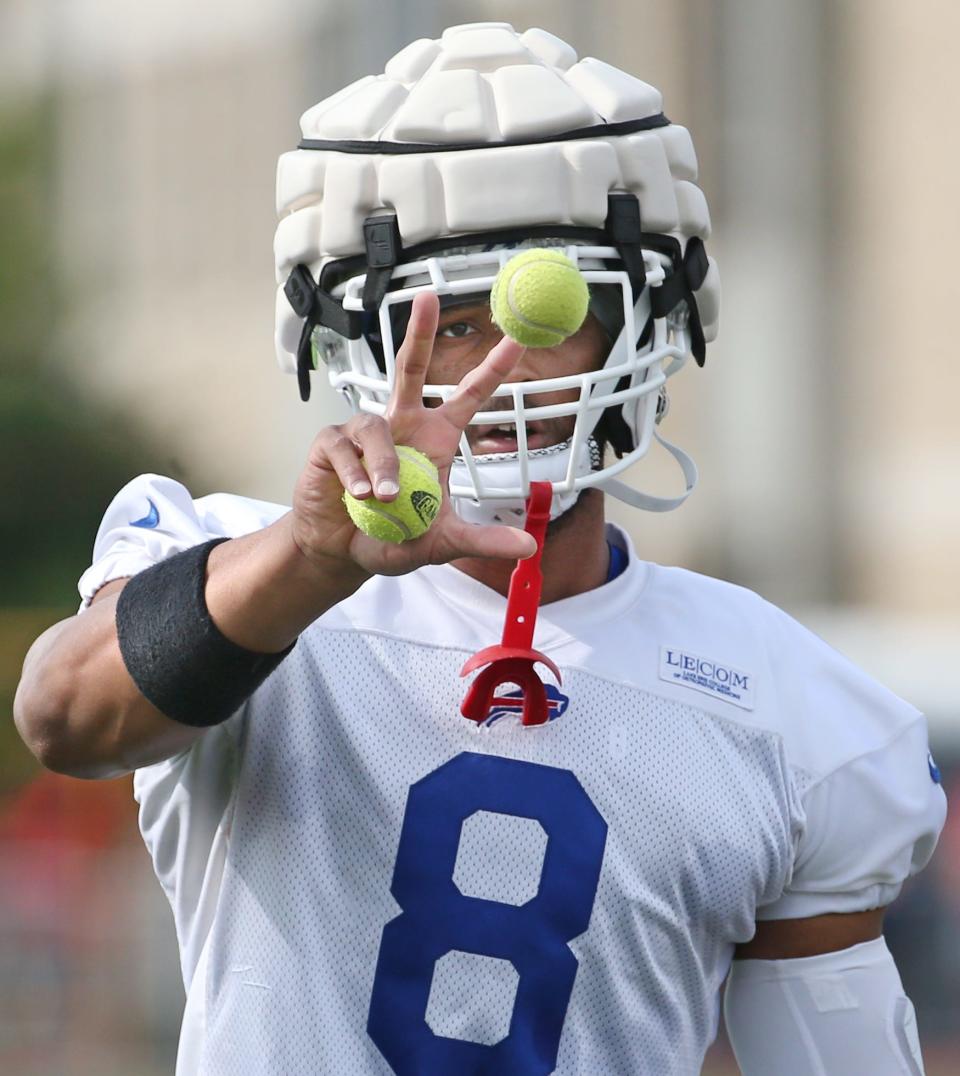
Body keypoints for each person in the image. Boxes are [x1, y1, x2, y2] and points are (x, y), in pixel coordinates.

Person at [13, 22, 947, 1076]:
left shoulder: (792, 706)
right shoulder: (235, 570)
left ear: (648, 318)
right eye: (449, 322)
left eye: (553, 310)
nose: (503, 366)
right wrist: (314, 563)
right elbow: (67, 716)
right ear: (355, 341)